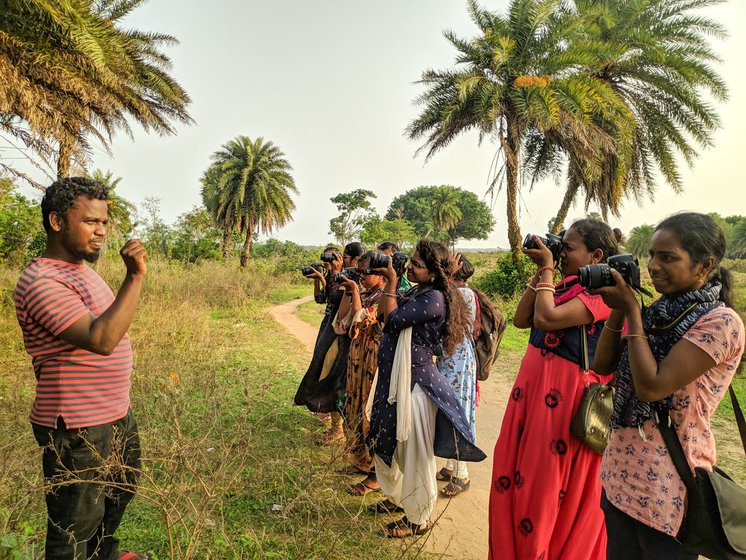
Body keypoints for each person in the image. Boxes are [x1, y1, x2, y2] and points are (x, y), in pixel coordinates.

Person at [593, 212, 744, 560]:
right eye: (651, 255)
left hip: (668, 487)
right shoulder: (657, 311)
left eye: (668, 257)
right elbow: (602, 365)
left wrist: (632, 310)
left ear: (703, 265)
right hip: (621, 476)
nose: (653, 266)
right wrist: (621, 307)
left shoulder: (721, 322)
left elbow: (651, 387)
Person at [14, 177, 151, 560]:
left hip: (113, 412)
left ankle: (105, 556)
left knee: (116, 496)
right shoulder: (42, 281)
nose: (102, 231)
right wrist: (135, 277)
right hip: (76, 424)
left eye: (105, 223)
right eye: (91, 222)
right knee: (74, 525)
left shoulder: (81, 271)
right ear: (57, 222)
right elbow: (102, 339)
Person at [488, 219, 620, 560]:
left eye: (569, 247)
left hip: (563, 400)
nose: (561, 253)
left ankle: (540, 551)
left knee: (542, 483)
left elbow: (547, 319)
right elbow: (523, 319)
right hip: (534, 395)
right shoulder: (563, 285)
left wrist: (547, 267)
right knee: (517, 470)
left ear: (597, 255)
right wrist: (542, 275)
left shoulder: (602, 295)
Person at [368, 240, 486, 538]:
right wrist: (392, 285)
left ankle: (417, 520)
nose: (409, 266)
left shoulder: (433, 298)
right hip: (399, 378)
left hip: (417, 385)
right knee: (395, 443)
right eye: (412, 262)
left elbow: (394, 320)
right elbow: (384, 314)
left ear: (433, 272)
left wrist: (392, 280)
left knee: (415, 452)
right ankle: (399, 500)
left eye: (416, 264)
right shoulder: (417, 291)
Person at [294, 242, 365, 444]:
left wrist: (335, 274)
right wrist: (320, 279)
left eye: (340, 257)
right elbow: (323, 299)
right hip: (330, 326)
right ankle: (329, 417)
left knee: (332, 375)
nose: (332, 261)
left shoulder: (351, 278)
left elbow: (336, 296)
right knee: (322, 369)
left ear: (353, 260)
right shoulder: (337, 277)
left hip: (340, 332)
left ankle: (338, 427)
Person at [333, 251, 386, 495]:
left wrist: (355, 290)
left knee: (368, 411)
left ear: (382, 274)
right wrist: (348, 290)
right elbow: (342, 323)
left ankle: (375, 474)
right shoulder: (364, 293)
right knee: (353, 406)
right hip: (355, 357)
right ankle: (359, 461)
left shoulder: (384, 297)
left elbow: (362, 318)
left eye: (368, 272)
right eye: (360, 272)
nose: (363, 277)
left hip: (372, 359)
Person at [435, 253, 478, 497]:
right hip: (453, 359)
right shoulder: (461, 292)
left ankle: (462, 473)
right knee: (449, 410)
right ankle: (452, 466)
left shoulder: (462, 295)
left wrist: (446, 275)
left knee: (457, 411)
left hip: (457, 362)